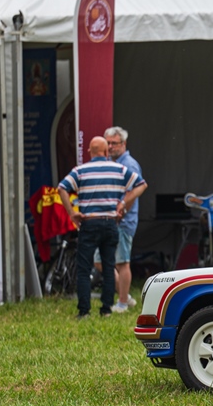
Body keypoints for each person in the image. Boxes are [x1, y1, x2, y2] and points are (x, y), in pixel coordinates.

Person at [58, 136, 147, 320]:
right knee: (108, 267)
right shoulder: (119, 169)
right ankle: (106, 309)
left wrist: (72, 213)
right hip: (110, 223)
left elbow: (62, 188)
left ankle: (84, 311)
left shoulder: (80, 170)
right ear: (106, 152)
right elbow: (141, 184)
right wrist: (123, 203)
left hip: (89, 223)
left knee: (84, 268)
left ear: (89, 152)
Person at [94, 126, 148, 312]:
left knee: (122, 262)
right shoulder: (111, 162)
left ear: (124, 144)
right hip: (109, 220)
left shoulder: (129, 165)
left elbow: (134, 191)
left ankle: (123, 303)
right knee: (100, 262)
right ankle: (126, 296)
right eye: (108, 143)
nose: (110, 147)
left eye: (114, 143)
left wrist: (122, 210)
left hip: (122, 222)